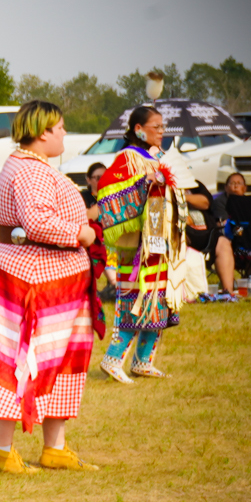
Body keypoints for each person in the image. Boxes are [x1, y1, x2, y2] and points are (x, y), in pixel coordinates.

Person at [0, 101, 100, 473]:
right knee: (18, 360)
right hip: (34, 282)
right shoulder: (30, 171)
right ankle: (1, 449)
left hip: (51, 281)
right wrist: (81, 233)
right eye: (60, 128)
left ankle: (54, 448)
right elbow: (38, 222)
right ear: (43, 132)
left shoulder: (29, 166)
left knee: (59, 361)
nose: (64, 133)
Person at [94, 106, 181, 382]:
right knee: (135, 299)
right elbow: (108, 191)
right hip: (136, 246)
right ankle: (112, 358)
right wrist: (146, 183)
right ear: (139, 129)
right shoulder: (128, 157)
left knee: (158, 298)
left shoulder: (158, 157)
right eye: (157, 126)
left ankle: (143, 361)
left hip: (159, 241)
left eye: (163, 127)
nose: (161, 132)